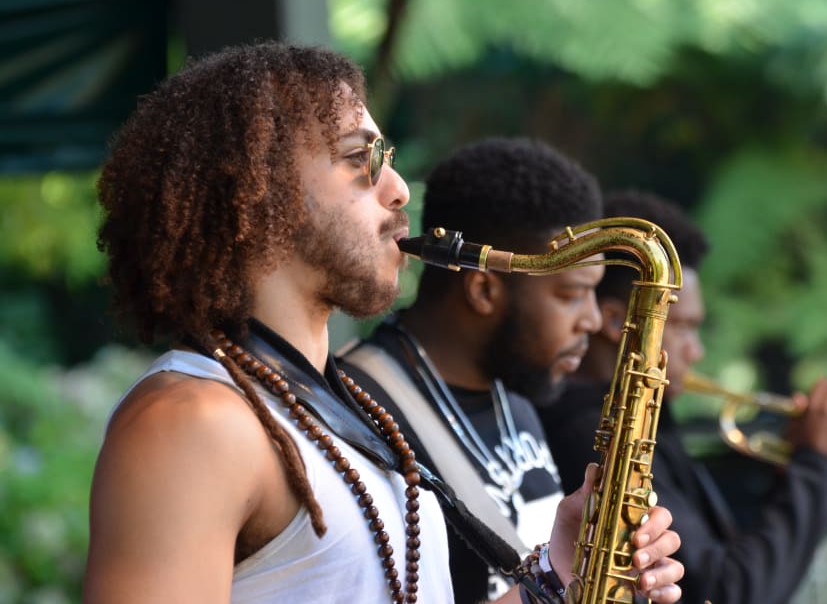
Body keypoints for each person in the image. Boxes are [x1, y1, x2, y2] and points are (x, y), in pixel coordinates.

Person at [83, 43, 684, 604]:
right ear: (258, 190)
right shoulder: (191, 422)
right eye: (356, 158)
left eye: (386, 159)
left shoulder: (330, 406)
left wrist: (559, 573)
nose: (398, 190)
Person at [539, 189, 827, 604]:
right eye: (682, 326)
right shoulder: (591, 432)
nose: (695, 351)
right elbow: (730, 590)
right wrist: (820, 469)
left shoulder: (647, 422)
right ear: (617, 320)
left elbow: (725, 549)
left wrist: (799, 471)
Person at [338, 137, 617, 602]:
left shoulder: (517, 395)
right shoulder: (358, 410)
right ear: (484, 292)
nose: (591, 319)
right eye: (570, 295)